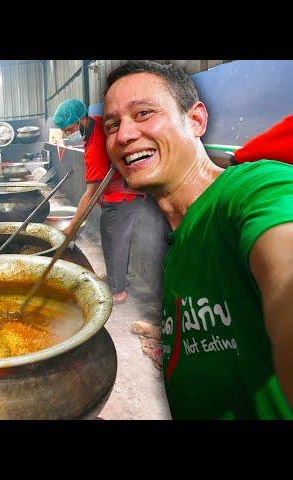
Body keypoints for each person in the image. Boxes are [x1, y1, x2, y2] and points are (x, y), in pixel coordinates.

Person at [102, 60, 293, 419]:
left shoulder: (250, 191)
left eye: (143, 113)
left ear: (196, 120)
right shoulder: (179, 244)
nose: (123, 135)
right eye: (113, 125)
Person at [54, 98, 144, 304]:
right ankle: (116, 280)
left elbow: (90, 193)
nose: (68, 134)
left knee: (115, 241)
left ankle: (117, 292)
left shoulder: (96, 143)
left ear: (82, 119)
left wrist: (72, 226)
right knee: (114, 240)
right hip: (121, 191)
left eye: (70, 129)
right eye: (65, 132)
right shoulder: (95, 124)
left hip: (122, 196)